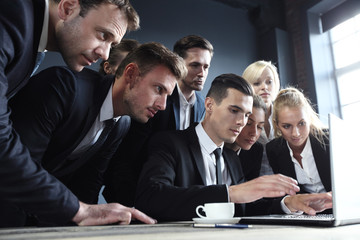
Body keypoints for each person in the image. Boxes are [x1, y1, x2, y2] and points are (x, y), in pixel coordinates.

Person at [9, 42, 186, 226]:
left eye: (168, 95)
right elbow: (20, 167)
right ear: (131, 74)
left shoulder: (122, 124)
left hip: (45, 215)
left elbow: (88, 185)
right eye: (159, 89)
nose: (163, 105)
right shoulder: (63, 86)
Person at [0, 0, 140, 227]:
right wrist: (77, 210)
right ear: (67, 8)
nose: (105, 54)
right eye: (103, 35)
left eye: (112, 43)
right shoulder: (12, 13)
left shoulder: (32, 40)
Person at [134, 73, 324, 221]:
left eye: (246, 115)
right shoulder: (170, 143)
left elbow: (247, 207)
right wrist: (229, 193)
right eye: (234, 111)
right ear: (209, 105)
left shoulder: (232, 158)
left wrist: (288, 203)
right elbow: (150, 197)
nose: (241, 122)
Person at [103, 35, 213, 206]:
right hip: (136, 197)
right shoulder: (151, 99)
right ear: (179, 63)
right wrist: (128, 204)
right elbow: (126, 157)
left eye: (206, 67)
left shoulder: (202, 106)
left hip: (174, 202)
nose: (202, 73)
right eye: (195, 65)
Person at [267, 87, 331, 198]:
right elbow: (287, 194)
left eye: (301, 123)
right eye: (287, 126)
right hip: (305, 213)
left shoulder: (330, 139)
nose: (295, 134)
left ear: (309, 119)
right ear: (277, 125)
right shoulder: (273, 149)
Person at [242, 60, 280, 176]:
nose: (265, 87)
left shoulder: (285, 116)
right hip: (252, 183)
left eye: (269, 82)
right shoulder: (241, 119)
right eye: (257, 83)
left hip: (285, 184)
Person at [226, 95, 266, 181]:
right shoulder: (216, 148)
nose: (254, 133)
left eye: (260, 127)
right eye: (248, 123)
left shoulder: (255, 150)